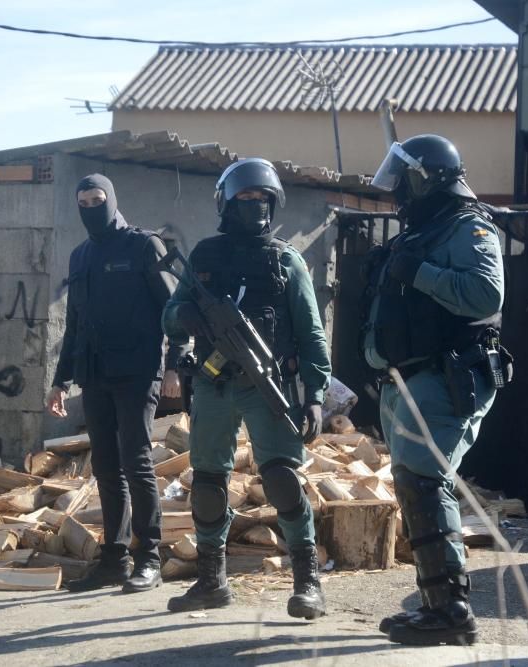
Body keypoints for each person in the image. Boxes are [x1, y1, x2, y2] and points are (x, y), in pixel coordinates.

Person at [162, 158, 332, 619]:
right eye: (245, 199)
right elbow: (171, 312)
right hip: (214, 385)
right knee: (209, 484)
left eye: (262, 199)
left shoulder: (285, 260)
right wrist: (185, 318)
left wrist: (315, 396)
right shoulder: (204, 257)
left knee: (281, 479)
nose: (254, 206)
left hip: (268, 384)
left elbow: (312, 333)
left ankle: (307, 583)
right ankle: (211, 582)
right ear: (226, 204)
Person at [362, 135, 506, 645]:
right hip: (408, 379)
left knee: (426, 483)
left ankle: (451, 612)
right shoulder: (421, 229)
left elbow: (485, 294)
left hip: (444, 376)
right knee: (414, 484)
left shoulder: (470, 225)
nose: (398, 190)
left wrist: (419, 272)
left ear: (427, 177)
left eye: (404, 179)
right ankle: (436, 606)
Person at [47, 173, 188, 594]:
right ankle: (115, 559)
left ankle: (149, 558)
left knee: (137, 463)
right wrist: (60, 381)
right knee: (106, 468)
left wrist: (176, 366)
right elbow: (73, 324)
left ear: (112, 198)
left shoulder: (144, 246)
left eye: (98, 198)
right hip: (94, 377)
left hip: (137, 373)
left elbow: (176, 310)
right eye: (84, 201)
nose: (92, 207)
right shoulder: (80, 256)